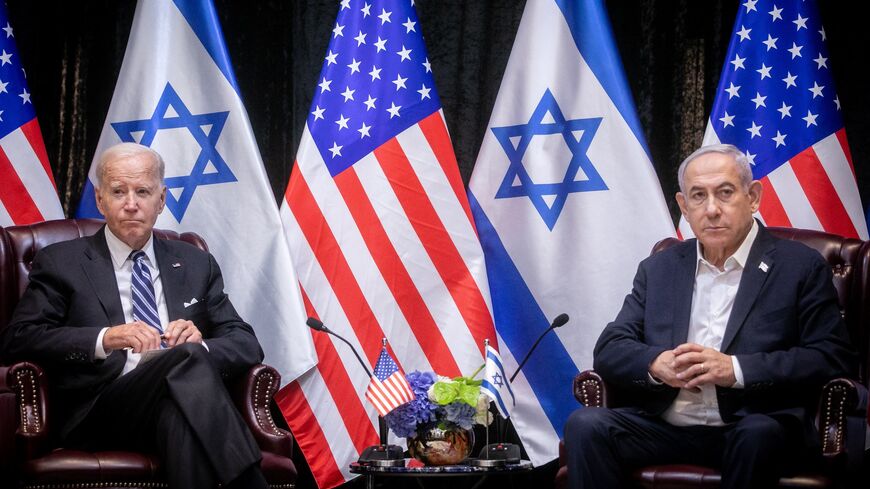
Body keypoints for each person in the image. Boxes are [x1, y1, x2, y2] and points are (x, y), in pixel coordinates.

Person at [564, 144, 855, 488]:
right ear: (684, 207)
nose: (712, 209)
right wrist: (656, 365)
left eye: (725, 193)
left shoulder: (799, 267)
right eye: (698, 196)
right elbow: (611, 347)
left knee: (756, 433)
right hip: (667, 426)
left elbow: (829, 357)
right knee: (585, 425)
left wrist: (733, 370)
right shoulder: (659, 268)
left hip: (753, 425)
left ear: (753, 197)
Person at [0, 143, 268, 488]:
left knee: (178, 409)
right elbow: (18, 337)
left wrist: (200, 346)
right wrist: (105, 338)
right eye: (117, 192)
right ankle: (251, 480)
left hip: (175, 402)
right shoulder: (60, 261)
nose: (131, 204)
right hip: (100, 410)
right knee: (183, 359)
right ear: (100, 200)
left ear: (162, 199)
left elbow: (246, 342)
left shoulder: (195, 261)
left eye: (142, 191)